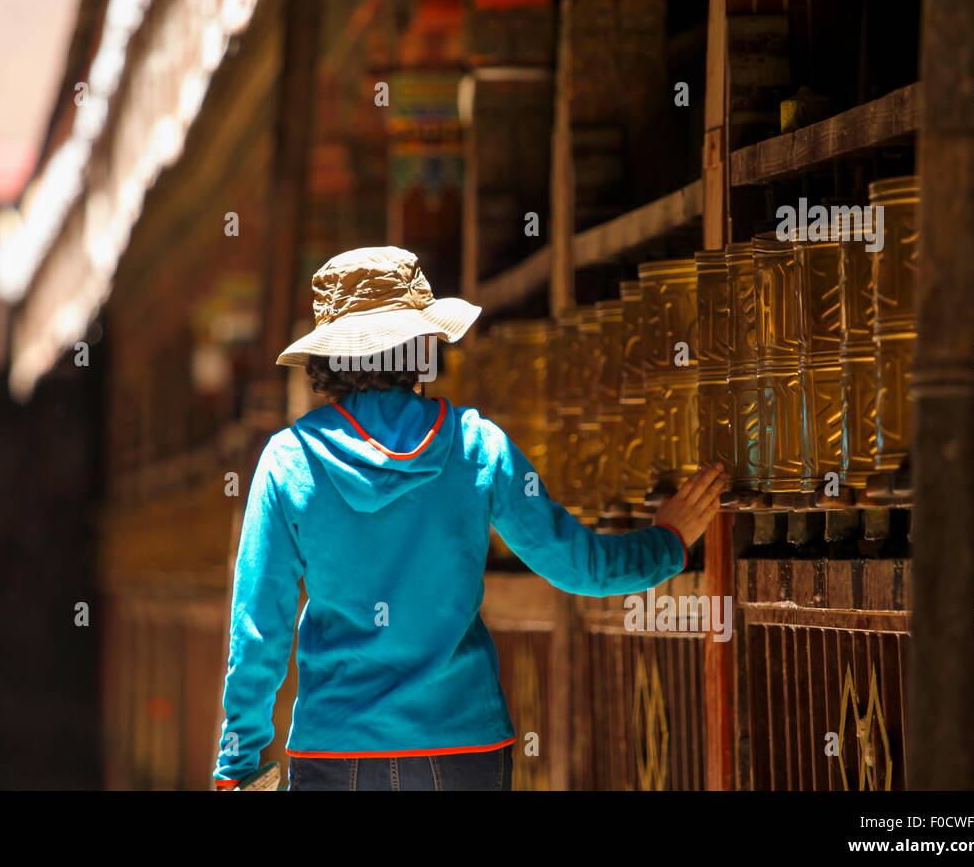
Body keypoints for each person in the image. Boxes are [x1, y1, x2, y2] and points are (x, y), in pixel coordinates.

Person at [213, 246, 727, 791]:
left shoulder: (288, 461)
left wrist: (235, 770)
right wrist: (669, 540)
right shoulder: (478, 446)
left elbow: (257, 632)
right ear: (423, 346)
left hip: (337, 755)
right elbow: (581, 568)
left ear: (327, 360)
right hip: (465, 751)